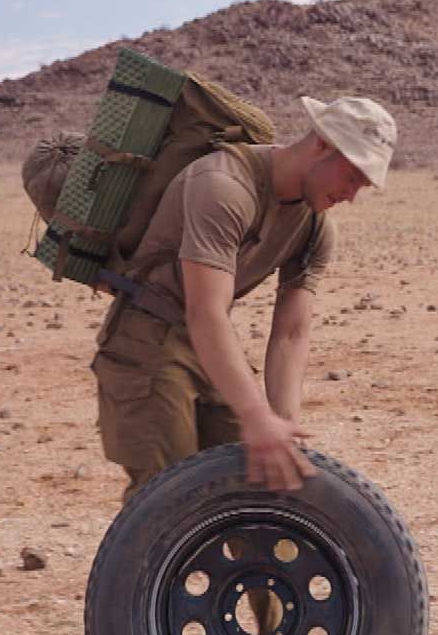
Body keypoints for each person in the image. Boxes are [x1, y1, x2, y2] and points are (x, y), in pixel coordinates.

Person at [90, 95, 395, 500]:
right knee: (169, 502)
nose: (352, 194)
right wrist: (256, 415)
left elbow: (291, 332)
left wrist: (282, 423)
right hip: (145, 343)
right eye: (353, 175)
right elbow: (207, 313)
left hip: (209, 347)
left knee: (261, 483)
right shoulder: (223, 186)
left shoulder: (315, 229)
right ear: (322, 143)